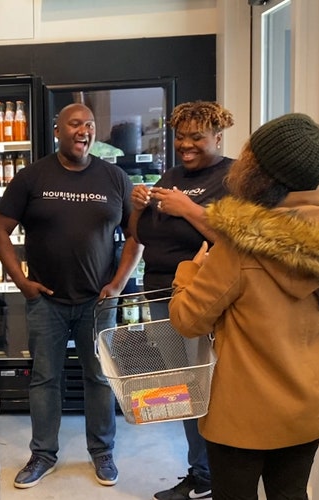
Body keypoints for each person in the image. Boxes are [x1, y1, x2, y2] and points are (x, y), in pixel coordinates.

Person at [168, 113, 319, 499]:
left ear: (262, 171)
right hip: (310, 399)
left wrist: (190, 269)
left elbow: (187, 320)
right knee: (291, 493)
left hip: (243, 410)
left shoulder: (238, 244)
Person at [0, 103, 137, 488]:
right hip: (46, 301)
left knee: (100, 379)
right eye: (75, 124)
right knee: (44, 379)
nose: (83, 130)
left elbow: (137, 234)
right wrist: (21, 282)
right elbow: (0, 229)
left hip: (98, 301)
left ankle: (102, 452)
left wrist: (119, 283)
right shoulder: (31, 177)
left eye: (89, 124)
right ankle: (43, 455)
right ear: (58, 129)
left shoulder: (114, 177)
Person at [109, 100, 236, 500]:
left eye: (197, 137)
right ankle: (201, 475)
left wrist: (189, 208)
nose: (186, 144)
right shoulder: (172, 174)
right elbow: (141, 235)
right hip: (162, 296)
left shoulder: (233, 177)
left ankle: (221, 477)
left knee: (214, 390)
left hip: (205, 298)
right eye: (181, 137)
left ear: (218, 136)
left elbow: (235, 241)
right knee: (185, 389)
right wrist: (137, 208)